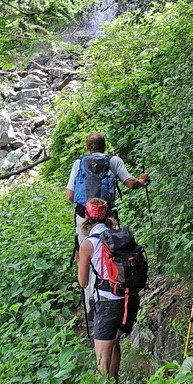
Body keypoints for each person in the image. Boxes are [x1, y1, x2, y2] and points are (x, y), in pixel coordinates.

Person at [67, 133, 149, 313]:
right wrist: (142, 181)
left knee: (86, 258)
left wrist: (87, 209)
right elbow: (130, 183)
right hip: (108, 218)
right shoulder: (113, 160)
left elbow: (70, 195)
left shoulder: (78, 163)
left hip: (84, 218)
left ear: (88, 148)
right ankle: (114, 290)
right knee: (112, 253)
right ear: (105, 146)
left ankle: (92, 304)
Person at [77, 198, 141, 384]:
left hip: (107, 304)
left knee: (101, 360)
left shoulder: (88, 244)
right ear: (108, 215)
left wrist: (81, 259)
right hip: (129, 300)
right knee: (114, 344)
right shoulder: (120, 236)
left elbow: (83, 282)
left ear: (87, 217)